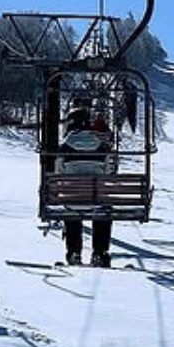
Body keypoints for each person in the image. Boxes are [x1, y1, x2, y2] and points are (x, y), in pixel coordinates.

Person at [59, 97, 114, 268]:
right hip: (96, 201)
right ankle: (99, 252)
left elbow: (58, 172)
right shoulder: (101, 146)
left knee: (72, 208)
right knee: (103, 209)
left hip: (73, 201)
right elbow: (108, 171)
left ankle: (74, 252)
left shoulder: (63, 148)